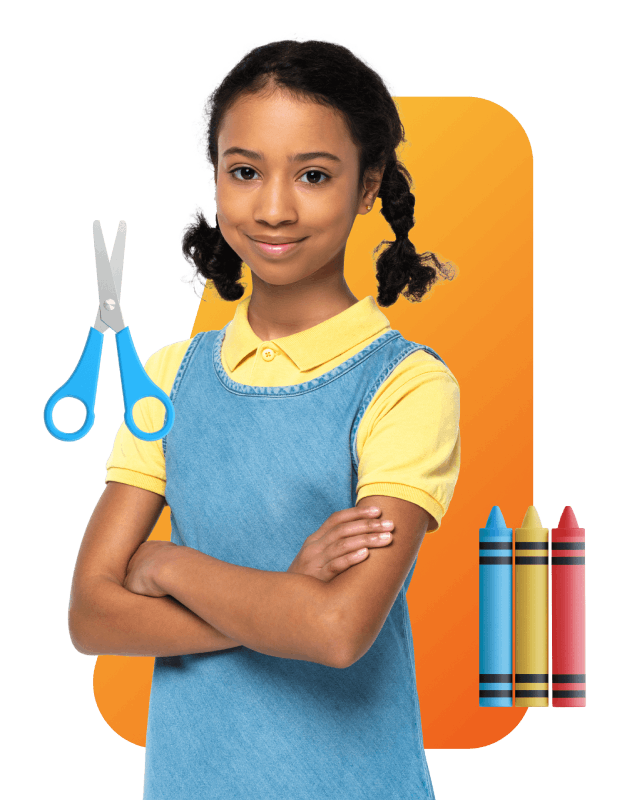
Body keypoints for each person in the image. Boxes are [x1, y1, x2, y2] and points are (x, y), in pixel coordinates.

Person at [69, 34, 460, 799]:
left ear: (369, 184)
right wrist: (284, 597)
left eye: (314, 175)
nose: (274, 207)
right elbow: (90, 614)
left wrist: (164, 566)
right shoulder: (171, 377)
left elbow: (337, 633)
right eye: (245, 172)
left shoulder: (407, 386)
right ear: (216, 180)